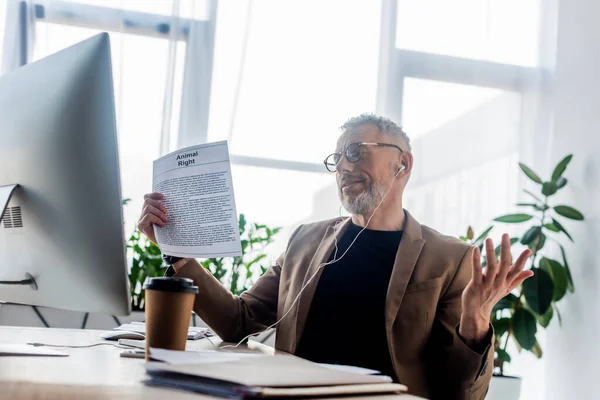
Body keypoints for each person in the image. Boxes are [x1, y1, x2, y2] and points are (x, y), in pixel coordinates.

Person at [138, 114, 532, 400]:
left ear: (403, 163)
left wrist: (476, 322)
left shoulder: (451, 258)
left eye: (357, 152)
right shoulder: (305, 241)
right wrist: (178, 252)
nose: (343, 166)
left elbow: (460, 393)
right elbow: (238, 321)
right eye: (338, 157)